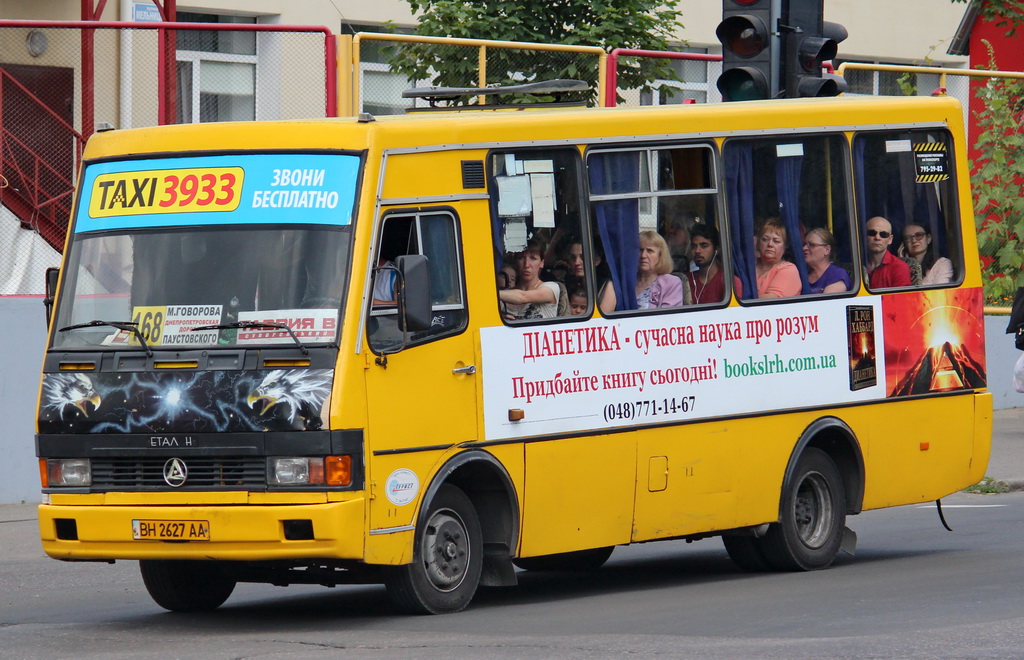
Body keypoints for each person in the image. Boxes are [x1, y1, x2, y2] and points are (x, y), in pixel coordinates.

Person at [599, 231, 683, 313]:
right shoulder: (625, 281)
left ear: (660, 256)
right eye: (640, 250)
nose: (643, 255)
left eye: (649, 251)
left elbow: (668, 319)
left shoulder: (671, 283)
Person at [498, 238, 560, 320]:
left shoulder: (551, 288)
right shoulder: (505, 296)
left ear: (542, 263)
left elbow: (523, 297)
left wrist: (491, 294)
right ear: (516, 262)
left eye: (533, 258)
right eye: (521, 258)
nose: (527, 265)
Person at [685, 223, 742, 304]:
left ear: (717, 249)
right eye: (694, 246)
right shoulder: (687, 280)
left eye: (704, 246)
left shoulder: (728, 281)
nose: (697, 251)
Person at [754, 218, 801, 298]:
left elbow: (771, 299)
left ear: (785, 247)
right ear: (758, 243)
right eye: (765, 239)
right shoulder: (748, 267)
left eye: (776, 241)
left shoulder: (789, 269)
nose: (770, 244)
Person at [864, 216, 912, 288]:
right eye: (872, 233)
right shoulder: (856, 265)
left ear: (890, 239)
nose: (877, 237)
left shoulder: (899, 267)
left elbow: (901, 298)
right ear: (864, 236)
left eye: (883, 234)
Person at [803, 227, 851, 294]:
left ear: (827, 250)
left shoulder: (837, 275)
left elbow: (828, 303)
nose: (804, 248)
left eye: (811, 245)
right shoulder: (803, 275)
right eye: (804, 244)